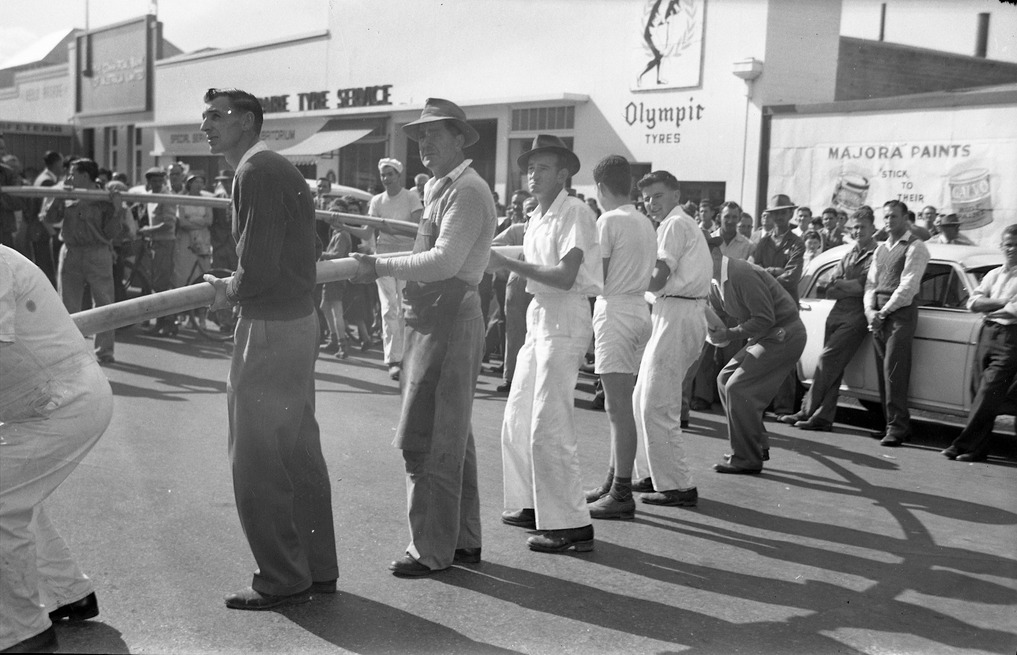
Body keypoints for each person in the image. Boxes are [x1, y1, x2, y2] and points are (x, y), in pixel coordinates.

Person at [200, 87, 337, 610]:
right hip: (298, 323)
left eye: (217, 116)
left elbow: (255, 270)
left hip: (269, 328)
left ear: (248, 122)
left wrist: (225, 291)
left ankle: (283, 577)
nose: (209, 125)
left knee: (256, 460)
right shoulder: (278, 170)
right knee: (299, 453)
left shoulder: (255, 172)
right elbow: (305, 246)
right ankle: (317, 569)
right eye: (205, 116)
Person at [351, 98, 494, 576]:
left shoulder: (467, 191)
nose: (425, 144)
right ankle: (463, 540)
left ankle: (431, 550)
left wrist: (376, 265)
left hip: (451, 317)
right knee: (454, 433)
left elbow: (444, 262)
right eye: (419, 137)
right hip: (435, 316)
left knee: (431, 436)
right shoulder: (440, 187)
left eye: (434, 134)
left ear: (459, 138)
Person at [490, 134, 601, 554]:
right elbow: (523, 252)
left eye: (542, 168)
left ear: (564, 173)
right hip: (540, 316)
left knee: (548, 425)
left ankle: (572, 524)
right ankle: (534, 504)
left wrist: (505, 262)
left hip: (566, 315)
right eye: (530, 168)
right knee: (517, 417)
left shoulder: (575, 211)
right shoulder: (538, 214)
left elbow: (565, 275)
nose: (532, 175)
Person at [0, 245, 114, 654]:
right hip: (37, 402)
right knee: (14, 493)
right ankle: (69, 593)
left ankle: (20, 632)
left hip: (65, 401)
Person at [625, 170, 711, 508]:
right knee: (640, 399)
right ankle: (652, 475)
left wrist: (623, 276)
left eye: (658, 196)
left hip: (677, 314)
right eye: (647, 198)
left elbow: (658, 279)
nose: (651, 203)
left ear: (676, 194)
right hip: (670, 312)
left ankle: (678, 485)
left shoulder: (676, 224)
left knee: (657, 403)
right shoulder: (673, 225)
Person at [580, 156, 657, 520]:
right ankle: (614, 480)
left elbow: (598, 276)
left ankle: (622, 490)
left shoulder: (608, 220)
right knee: (620, 407)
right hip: (639, 310)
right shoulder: (644, 220)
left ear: (600, 187)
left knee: (617, 409)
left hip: (616, 311)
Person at [707, 239, 807, 474]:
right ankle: (754, 445)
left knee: (738, 387)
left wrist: (728, 334)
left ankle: (747, 457)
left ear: (712, 253)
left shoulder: (740, 272)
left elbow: (764, 318)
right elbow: (720, 318)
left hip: (784, 334)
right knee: (725, 380)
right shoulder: (714, 282)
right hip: (766, 336)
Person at [778, 207, 878, 431]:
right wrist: (847, 286)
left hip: (857, 315)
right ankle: (823, 417)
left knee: (826, 360)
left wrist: (845, 285)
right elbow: (829, 286)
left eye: (863, 227)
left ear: (873, 228)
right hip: (836, 312)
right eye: (856, 227)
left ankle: (806, 411)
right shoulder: (850, 253)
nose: (859, 231)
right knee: (834, 367)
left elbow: (864, 286)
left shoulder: (876, 254)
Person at [942, 224, 1017, 462]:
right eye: (1008, 244)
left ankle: (960, 444)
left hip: (1010, 339)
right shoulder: (993, 274)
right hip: (986, 334)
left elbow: (1013, 311)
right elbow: (972, 303)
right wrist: (1002, 302)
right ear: (1001, 246)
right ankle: (978, 449)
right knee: (977, 392)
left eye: (1016, 245)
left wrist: (991, 305)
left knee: (988, 393)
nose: (1012, 249)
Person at [42, 158, 124, 364]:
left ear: (85, 175)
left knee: (104, 303)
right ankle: (70, 352)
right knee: (68, 305)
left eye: (72, 173)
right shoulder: (67, 194)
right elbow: (49, 218)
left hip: (98, 253)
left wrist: (117, 209)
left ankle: (104, 352)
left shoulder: (104, 196)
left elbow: (112, 232)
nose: (68, 177)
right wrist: (59, 197)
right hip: (71, 252)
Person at [863, 200, 930, 447]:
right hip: (879, 312)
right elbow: (871, 283)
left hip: (900, 312)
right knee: (883, 369)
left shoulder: (916, 246)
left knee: (894, 369)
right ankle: (890, 424)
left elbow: (908, 287)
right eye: (887, 217)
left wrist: (883, 311)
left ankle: (898, 427)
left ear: (905, 219)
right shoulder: (880, 249)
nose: (889, 221)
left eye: (894, 217)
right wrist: (870, 310)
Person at [749, 194, 805, 415]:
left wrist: (766, 272)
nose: (779, 217)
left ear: (791, 214)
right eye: (775, 213)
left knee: (785, 355)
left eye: (783, 212)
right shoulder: (763, 242)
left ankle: (783, 407)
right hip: (763, 306)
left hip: (786, 307)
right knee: (758, 351)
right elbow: (752, 269)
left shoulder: (797, 243)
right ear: (770, 216)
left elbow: (792, 276)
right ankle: (758, 403)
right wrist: (775, 272)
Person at [368, 158, 424, 381]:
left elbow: (419, 232)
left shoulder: (411, 197)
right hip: (382, 257)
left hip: (406, 257)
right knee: (389, 307)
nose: (386, 178)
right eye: (383, 174)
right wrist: (342, 225)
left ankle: (409, 356)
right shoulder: (376, 200)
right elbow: (366, 232)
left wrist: (394, 230)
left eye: (390, 174)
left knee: (405, 307)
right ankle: (393, 360)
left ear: (399, 176)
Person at [491, 190, 533, 393]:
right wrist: (506, 267)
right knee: (514, 332)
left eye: (535, 209)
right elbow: (494, 248)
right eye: (528, 210)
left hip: (542, 286)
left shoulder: (551, 229)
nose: (531, 213)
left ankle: (531, 380)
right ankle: (510, 378)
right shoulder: (517, 229)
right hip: (517, 285)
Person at [138, 167, 178, 336]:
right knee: (157, 284)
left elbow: (169, 223)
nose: (156, 183)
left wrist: (148, 230)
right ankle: (163, 323)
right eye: (153, 180)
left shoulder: (166, 197)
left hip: (165, 243)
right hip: (156, 243)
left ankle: (167, 323)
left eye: (159, 181)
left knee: (162, 284)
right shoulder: (151, 196)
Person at [319, 199, 353, 359]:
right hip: (334, 275)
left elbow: (338, 255)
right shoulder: (337, 233)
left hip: (336, 276)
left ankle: (341, 344)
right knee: (325, 307)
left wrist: (322, 254)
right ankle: (335, 340)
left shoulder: (341, 235)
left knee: (335, 311)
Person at [173, 174, 214, 288]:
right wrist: (200, 221)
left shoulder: (207, 200)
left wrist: (191, 220)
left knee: (203, 266)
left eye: (201, 182)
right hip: (186, 238)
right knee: (185, 266)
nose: (198, 184)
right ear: (189, 184)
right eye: (196, 182)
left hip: (203, 236)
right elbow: (182, 222)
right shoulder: (183, 199)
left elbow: (209, 220)